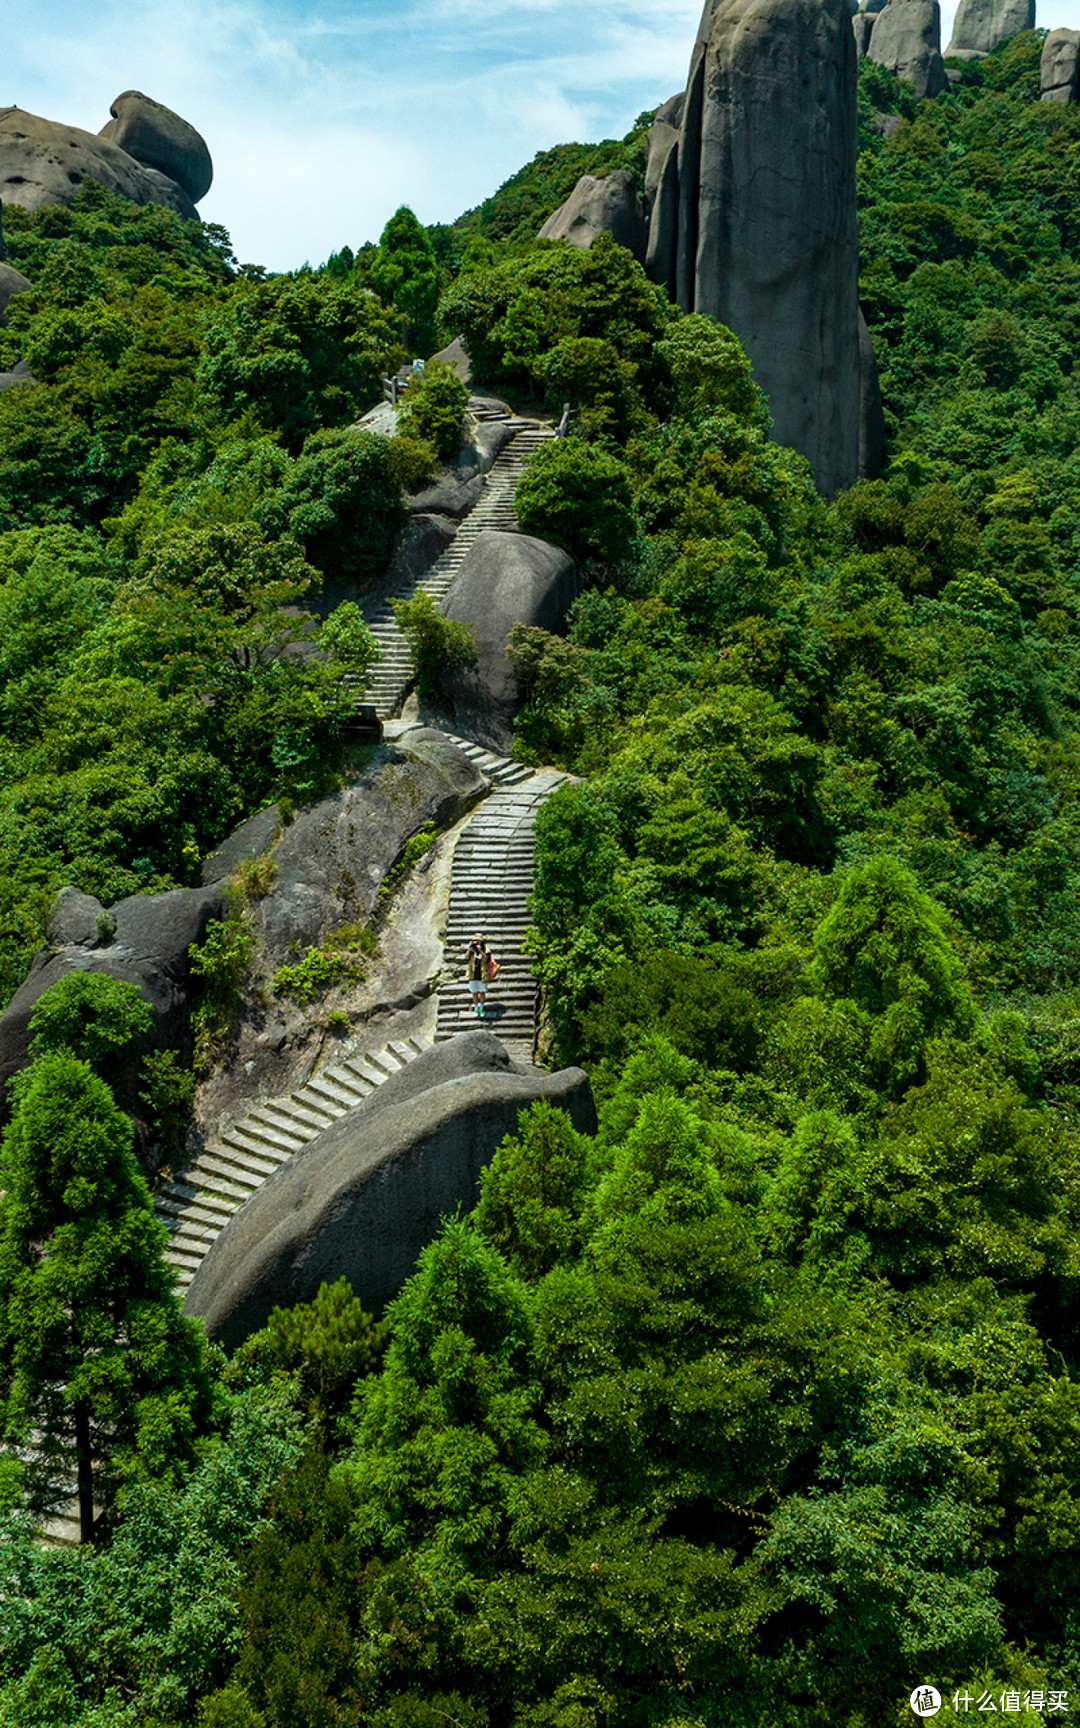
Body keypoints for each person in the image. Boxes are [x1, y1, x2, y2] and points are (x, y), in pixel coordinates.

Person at [465, 932, 494, 1018]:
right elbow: (466, 958)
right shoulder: (472, 949)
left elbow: (486, 959)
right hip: (473, 973)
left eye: (478, 941)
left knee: (482, 992)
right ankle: (476, 1007)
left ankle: (481, 1007)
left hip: (482, 974)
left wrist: (480, 950)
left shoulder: (486, 949)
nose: (477, 942)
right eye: (475, 941)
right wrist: (469, 948)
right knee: (474, 992)